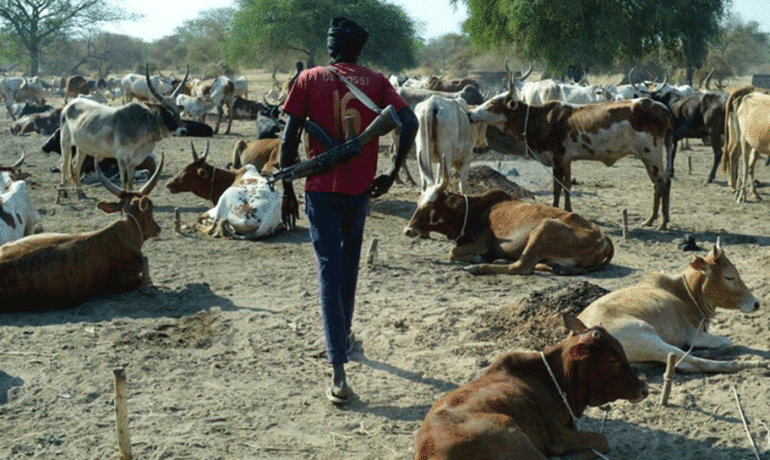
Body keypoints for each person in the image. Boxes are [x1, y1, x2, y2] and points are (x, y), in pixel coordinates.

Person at [279, 16, 418, 404]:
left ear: (332, 48)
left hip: (320, 192)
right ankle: (343, 338)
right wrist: (391, 172)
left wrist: (288, 188)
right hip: (359, 192)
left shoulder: (307, 79)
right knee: (347, 270)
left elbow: (289, 138)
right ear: (358, 49)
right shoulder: (375, 81)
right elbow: (409, 122)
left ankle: (338, 370)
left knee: (329, 271)